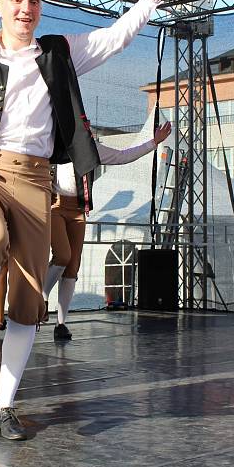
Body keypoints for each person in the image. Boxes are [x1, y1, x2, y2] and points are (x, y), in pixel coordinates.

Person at [0, 0, 181, 440]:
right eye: (16, 0)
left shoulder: (59, 52)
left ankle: (4, 406)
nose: (25, 8)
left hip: (36, 181)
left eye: (33, 1)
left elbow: (116, 37)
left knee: (29, 300)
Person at [43, 122, 172, 341]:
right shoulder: (51, 146)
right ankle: (42, 297)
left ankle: (61, 323)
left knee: (73, 266)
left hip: (78, 211)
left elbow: (123, 156)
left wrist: (153, 142)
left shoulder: (90, 149)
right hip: (54, 207)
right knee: (62, 255)